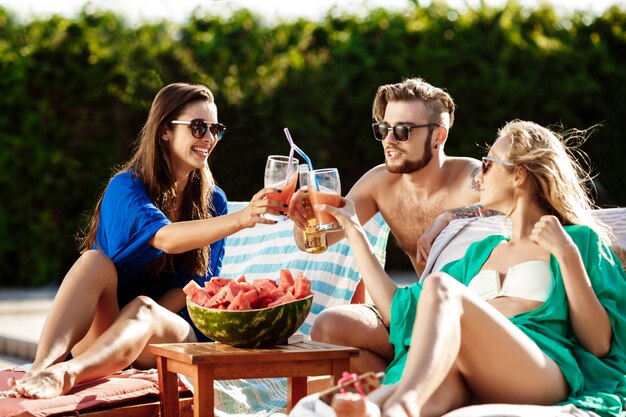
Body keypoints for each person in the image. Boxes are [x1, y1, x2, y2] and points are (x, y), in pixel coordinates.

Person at [315, 120, 626, 417]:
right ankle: (379, 404)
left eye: (488, 164)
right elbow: (400, 312)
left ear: (518, 175)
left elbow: (599, 344)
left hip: (540, 366)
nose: (480, 174)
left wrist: (568, 256)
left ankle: (403, 402)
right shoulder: (481, 252)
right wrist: (354, 231)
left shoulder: (578, 240)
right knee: (439, 370)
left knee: (441, 288)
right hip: (475, 368)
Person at [5, 82, 285, 399]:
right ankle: (40, 369)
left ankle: (67, 373)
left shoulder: (213, 202)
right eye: (198, 127)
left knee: (144, 310)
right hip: (105, 331)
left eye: (215, 129)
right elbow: (164, 238)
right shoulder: (126, 188)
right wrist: (243, 218)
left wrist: (135, 328)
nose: (208, 138)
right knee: (92, 261)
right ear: (165, 130)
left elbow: (192, 286)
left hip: (171, 333)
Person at [290, 77, 489, 374]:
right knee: (329, 327)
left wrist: (450, 216)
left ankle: (409, 387)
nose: (389, 140)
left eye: (402, 131)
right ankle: (393, 391)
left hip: (469, 323)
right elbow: (317, 241)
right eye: (383, 129)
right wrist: (303, 219)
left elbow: (515, 205)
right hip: (410, 315)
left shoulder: (472, 177)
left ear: (438, 136)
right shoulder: (379, 183)